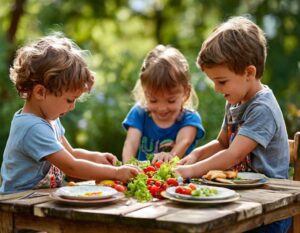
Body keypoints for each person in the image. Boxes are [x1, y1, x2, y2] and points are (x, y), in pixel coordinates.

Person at [173, 16, 291, 232]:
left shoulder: (262, 108)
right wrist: (195, 155)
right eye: (214, 82)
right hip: (240, 198)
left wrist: (190, 171)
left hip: (269, 209)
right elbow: (222, 143)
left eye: (222, 81)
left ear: (249, 72)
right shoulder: (236, 99)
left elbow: (233, 155)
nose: (217, 89)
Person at [0, 34, 140, 194]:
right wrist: (116, 173)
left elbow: (71, 153)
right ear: (40, 92)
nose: (72, 107)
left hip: (39, 200)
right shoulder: (31, 127)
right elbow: (71, 166)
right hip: (18, 204)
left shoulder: (49, 119)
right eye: (69, 100)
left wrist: (96, 157)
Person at [122, 45, 205, 164]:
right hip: (145, 178)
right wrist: (128, 166)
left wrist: (169, 156)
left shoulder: (190, 118)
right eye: (153, 100)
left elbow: (184, 141)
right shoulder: (140, 113)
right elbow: (130, 143)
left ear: (185, 93)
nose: (162, 108)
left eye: (171, 101)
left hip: (179, 180)